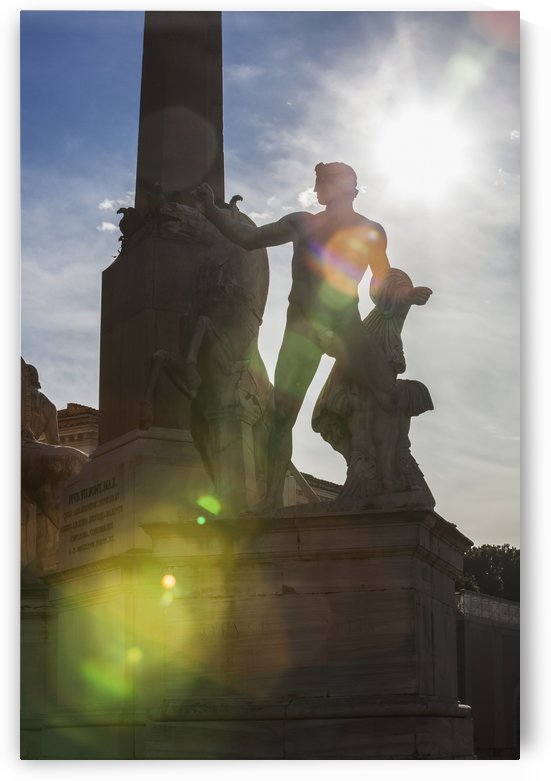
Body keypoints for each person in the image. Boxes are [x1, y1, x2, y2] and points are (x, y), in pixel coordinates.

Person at [192, 162, 427, 511]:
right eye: (316, 183)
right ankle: (270, 500)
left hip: (345, 323)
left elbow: (379, 283)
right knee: (281, 417)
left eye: (321, 182)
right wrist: (211, 211)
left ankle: (386, 474)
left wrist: (403, 294)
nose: (316, 190)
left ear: (343, 187)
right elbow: (250, 238)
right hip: (302, 327)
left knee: (387, 393)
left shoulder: (371, 231)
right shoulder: (301, 223)